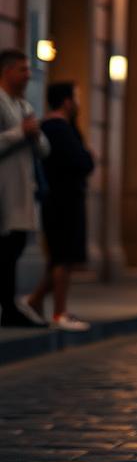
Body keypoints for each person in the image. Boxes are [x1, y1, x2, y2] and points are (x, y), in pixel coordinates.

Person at [22, 81, 95, 330]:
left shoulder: (54, 127)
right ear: (66, 101)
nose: (78, 103)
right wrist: (88, 158)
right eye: (76, 97)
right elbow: (82, 161)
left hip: (61, 199)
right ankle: (58, 312)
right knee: (62, 258)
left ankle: (34, 301)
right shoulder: (58, 129)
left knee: (59, 258)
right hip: (63, 200)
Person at [0, 49, 51, 329]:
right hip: (4, 189)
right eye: (22, 69)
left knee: (14, 247)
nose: (28, 75)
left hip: (22, 190)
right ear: (6, 71)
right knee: (6, 249)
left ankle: (9, 305)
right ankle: (8, 306)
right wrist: (20, 133)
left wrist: (34, 135)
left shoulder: (23, 106)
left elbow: (43, 149)